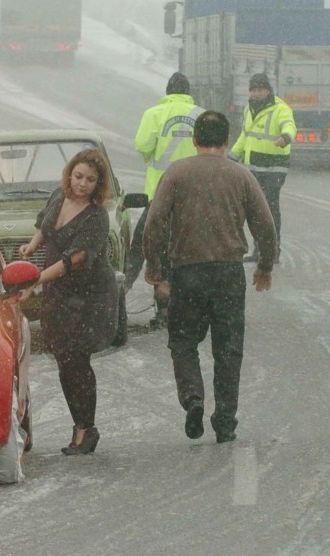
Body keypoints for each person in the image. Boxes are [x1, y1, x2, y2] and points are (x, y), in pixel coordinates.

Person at [143, 110, 277, 444]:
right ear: (227, 140)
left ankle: (193, 398)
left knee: (184, 342)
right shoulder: (241, 176)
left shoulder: (177, 173)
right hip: (228, 272)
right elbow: (265, 225)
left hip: (187, 271)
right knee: (228, 349)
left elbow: (155, 222)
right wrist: (265, 266)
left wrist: (154, 265)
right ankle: (225, 421)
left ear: (194, 140)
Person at [18, 148, 117, 455]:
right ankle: (81, 426)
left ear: (98, 183)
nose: (82, 184)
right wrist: (31, 246)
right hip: (58, 294)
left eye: (90, 179)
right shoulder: (58, 197)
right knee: (63, 359)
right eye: (77, 176)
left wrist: (35, 281)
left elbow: (72, 260)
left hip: (88, 295)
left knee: (77, 360)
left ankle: (86, 428)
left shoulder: (97, 216)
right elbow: (43, 226)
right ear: (69, 174)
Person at [126, 72, 204, 330]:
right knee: (188, 253)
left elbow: (142, 145)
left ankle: (133, 301)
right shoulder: (200, 116)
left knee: (148, 249)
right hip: (193, 198)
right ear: (188, 91)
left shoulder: (154, 114)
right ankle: (190, 307)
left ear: (168, 91)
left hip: (159, 197)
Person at [229, 73, 295, 263]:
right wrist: (231, 157)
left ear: (268, 90)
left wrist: (286, 137)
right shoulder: (249, 109)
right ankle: (259, 250)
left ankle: (272, 252)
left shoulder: (280, 108)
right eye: (254, 90)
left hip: (275, 167)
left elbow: (289, 126)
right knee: (256, 211)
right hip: (255, 168)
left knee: (270, 209)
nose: (257, 93)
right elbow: (246, 135)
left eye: (260, 90)